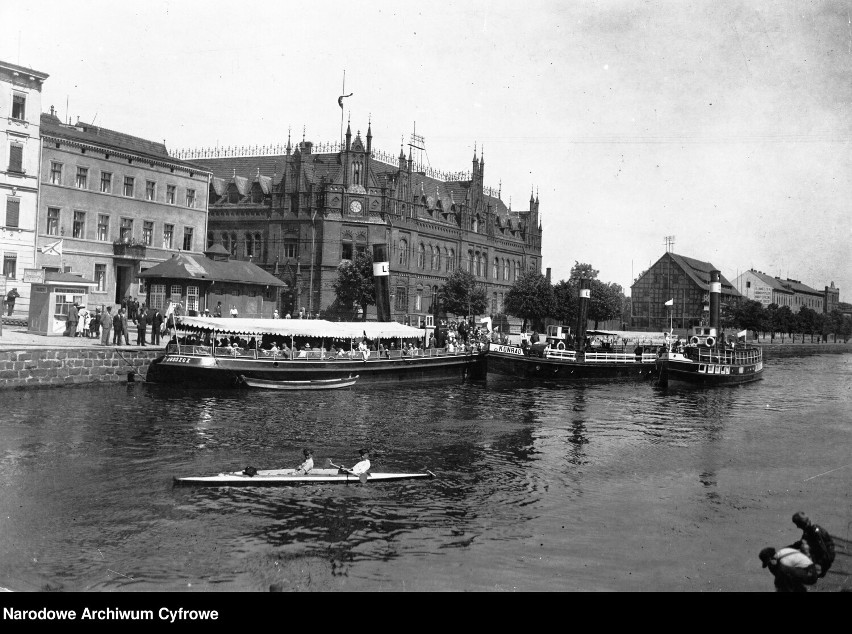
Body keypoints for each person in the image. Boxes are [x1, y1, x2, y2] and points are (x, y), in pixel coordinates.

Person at [791, 512, 835, 578]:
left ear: (804, 524)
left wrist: (819, 565)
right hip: (822, 554)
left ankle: (817, 570)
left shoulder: (815, 531)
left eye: (798, 524)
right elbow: (802, 541)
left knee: (804, 548)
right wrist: (790, 547)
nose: (797, 527)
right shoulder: (808, 530)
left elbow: (824, 550)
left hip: (826, 556)